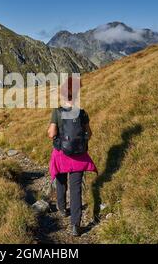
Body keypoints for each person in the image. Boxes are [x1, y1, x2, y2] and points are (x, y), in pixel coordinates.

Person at [47, 76, 98, 236]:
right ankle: (76, 225)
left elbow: (52, 133)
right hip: (79, 155)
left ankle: (62, 209)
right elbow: (89, 134)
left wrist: (53, 133)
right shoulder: (82, 113)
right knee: (76, 189)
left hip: (62, 153)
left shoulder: (57, 111)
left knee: (61, 180)